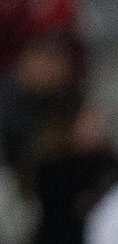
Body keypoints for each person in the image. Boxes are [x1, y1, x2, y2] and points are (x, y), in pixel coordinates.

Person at [32, 103, 118, 244]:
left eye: (97, 124)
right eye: (87, 123)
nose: (93, 130)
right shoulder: (53, 166)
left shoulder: (114, 166)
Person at [0, 31, 81, 188]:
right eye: (40, 60)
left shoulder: (75, 101)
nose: (46, 68)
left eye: (53, 60)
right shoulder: (9, 103)